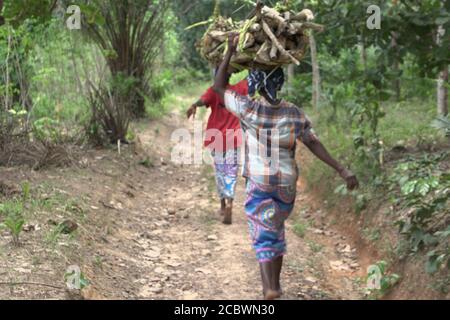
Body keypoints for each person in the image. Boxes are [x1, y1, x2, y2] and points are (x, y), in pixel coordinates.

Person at [213, 34, 359, 300]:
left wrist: (229, 52)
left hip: (260, 180)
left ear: (255, 83)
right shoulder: (293, 112)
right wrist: (341, 169)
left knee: (262, 231)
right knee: (275, 227)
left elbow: (219, 87)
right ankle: (276, 286)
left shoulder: (248, 108)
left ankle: (269, 288)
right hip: (286, 185)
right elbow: (313, 143)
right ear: (279, 83)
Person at [187, 72, 248, 225]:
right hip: (233, 137)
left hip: (216, 138)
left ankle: (223, 203)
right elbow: (250, 78)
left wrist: (194, 105)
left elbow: (202, 101)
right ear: (228, 77)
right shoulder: (238, 89)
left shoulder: (213, 90)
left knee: (220, 170)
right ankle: (229, 201)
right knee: (231, 170)